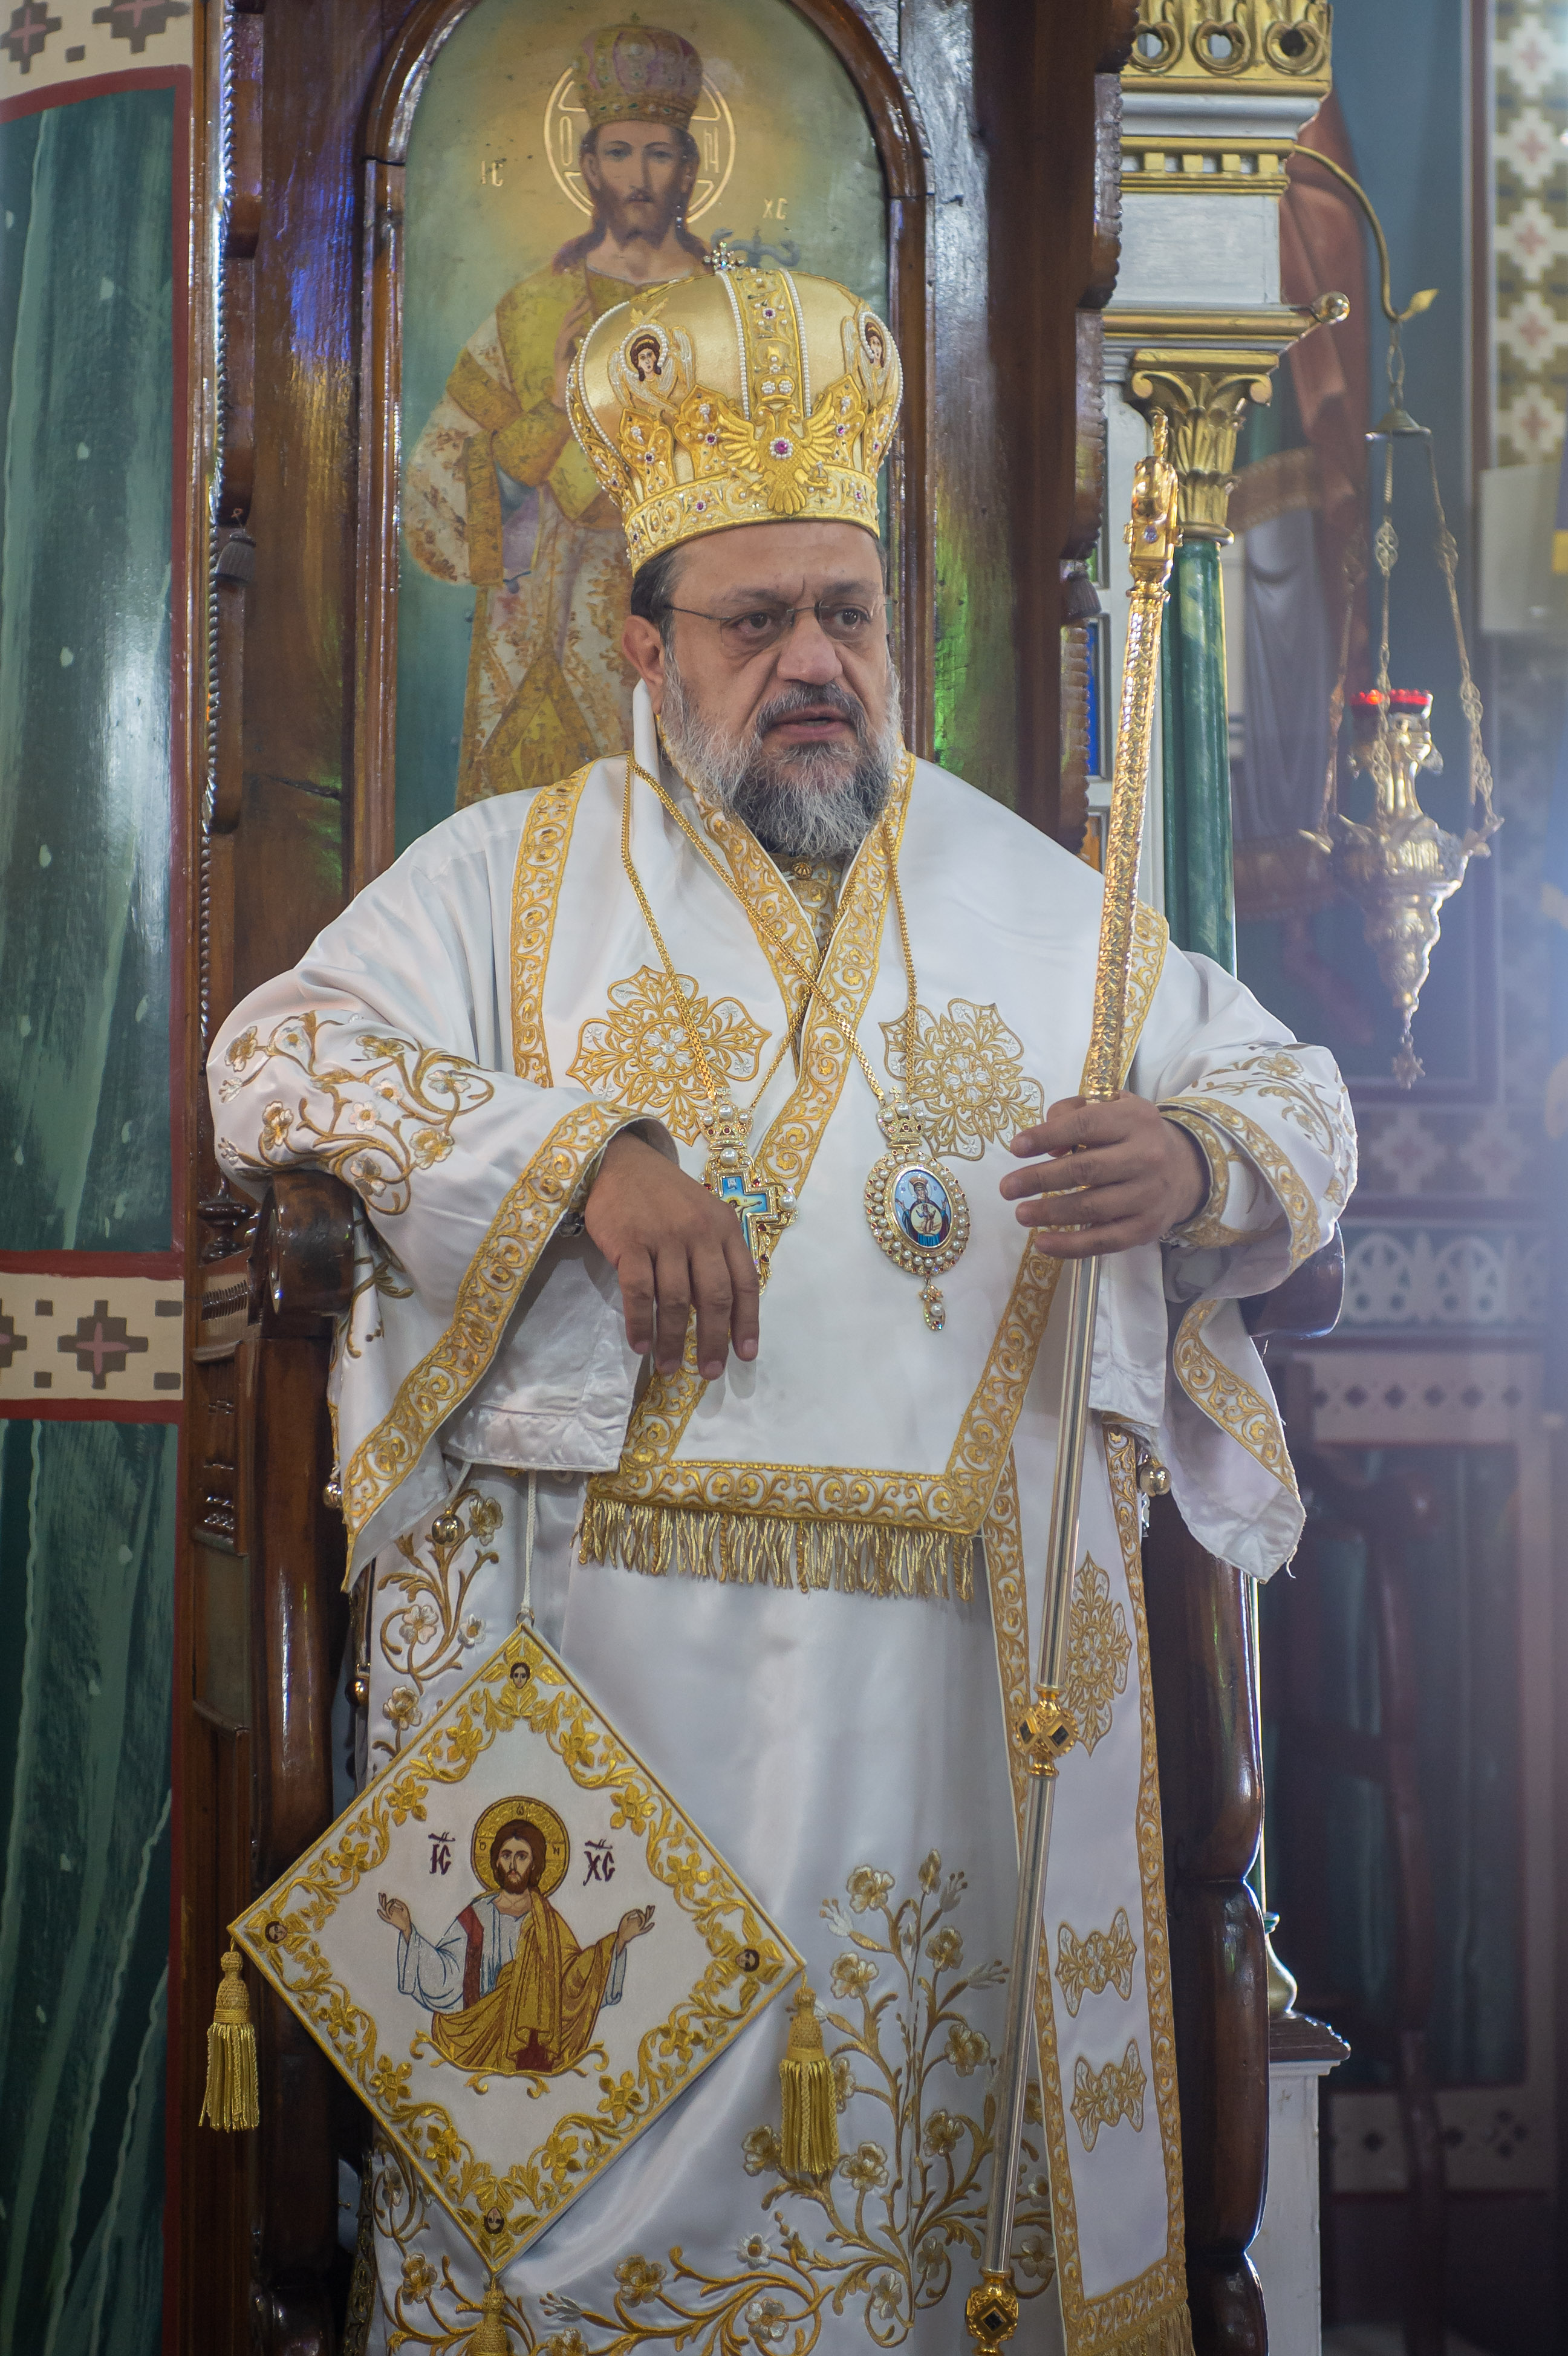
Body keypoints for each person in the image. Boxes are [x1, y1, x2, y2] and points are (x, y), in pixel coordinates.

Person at [213, 264, 1355, 2354]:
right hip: (612, 1669)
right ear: (644, 649)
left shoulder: (1042, 907)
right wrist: (577, 1156)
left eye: (847, 613)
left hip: (958, 1708)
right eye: (757, 623)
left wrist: (1197, 1162)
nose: (816, 662)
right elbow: (277, 1056)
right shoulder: (506, 880)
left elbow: (1294, 1090)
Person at [403, 20, 709, 808]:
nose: (638, 177)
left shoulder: (728, 315)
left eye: (658, 153)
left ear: (689, 168)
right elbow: (435, 500)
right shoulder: (533, 311)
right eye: (619, 152)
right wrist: (552, 409)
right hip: (533, 652)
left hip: (682, 639)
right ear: (588, 166)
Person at [378, 1815, 653, 2078]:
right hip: (477, 2038)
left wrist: (618, 1942)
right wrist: (408, 1931)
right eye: (506, 1855)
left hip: (529, 2050)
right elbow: (447, 1973)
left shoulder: (547, 1922)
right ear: (496, 1861)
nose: (513, 1864)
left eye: (522, 1856)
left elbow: (573, 1978)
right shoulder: (477, 1915)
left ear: (535, 1864)